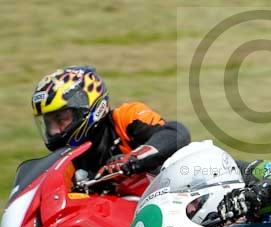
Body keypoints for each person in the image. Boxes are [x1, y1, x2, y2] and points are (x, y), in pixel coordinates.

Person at [31, 65, 191, 179]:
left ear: (89, 108)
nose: (55, 131)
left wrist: (133, 158)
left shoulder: (126, 117)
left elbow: (176, 133)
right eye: (49, 123)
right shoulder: (64, 161)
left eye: (60, 119)